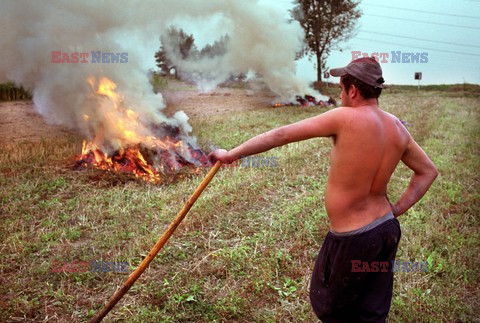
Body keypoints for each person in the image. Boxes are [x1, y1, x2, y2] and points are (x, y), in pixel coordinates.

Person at [209, 57, 438, 322]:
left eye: (341, 89)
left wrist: (231, 154)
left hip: (352, 238)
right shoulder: (397, 127)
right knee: (371, 311)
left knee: (331, 308)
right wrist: (395, 210)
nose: (339, 95)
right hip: (386, 230)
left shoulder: (344, 117)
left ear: (352, 90)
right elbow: (428, 171)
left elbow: (280, 135)